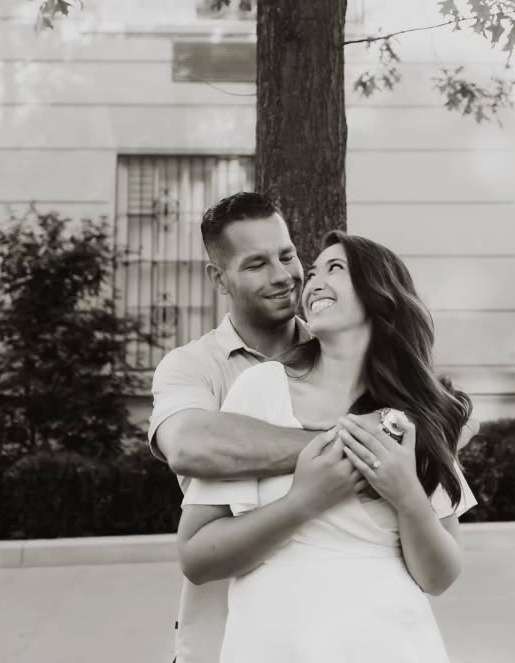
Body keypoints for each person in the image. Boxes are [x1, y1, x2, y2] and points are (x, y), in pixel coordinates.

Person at [176, 230, 475, 663]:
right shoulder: (261, 389)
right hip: (276, 645)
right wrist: (304, 501)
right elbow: (195, 557)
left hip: (395, 645)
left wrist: (408, 496)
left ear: (381, 296)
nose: (313, 282)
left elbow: (438, 578)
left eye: (335, 268)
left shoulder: (417, 414)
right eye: (313, 271)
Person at [149, 192, 375, 663]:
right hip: (224, 639)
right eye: (256, 265)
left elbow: (435, 424)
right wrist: (357, 447)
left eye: (287, 255)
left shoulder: (343, 350)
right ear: (219, 278)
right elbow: (190, 446)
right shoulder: (193, 366)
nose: (282, 276)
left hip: (338, 635)